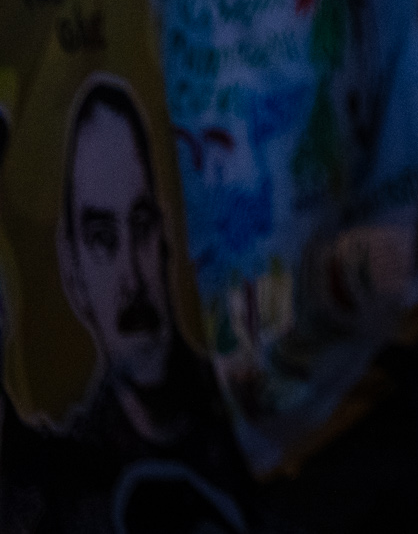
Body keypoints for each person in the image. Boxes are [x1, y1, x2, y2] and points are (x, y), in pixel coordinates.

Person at [2, 74, 253, 534]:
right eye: (101, 238)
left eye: (141, 225)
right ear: (73, 272)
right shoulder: (58, 482)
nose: (130, 278)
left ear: (165, 235)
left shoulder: (250, 396)